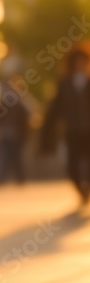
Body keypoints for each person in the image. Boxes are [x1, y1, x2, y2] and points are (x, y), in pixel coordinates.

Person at [41, 49, 90, 204]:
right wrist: (47, 133)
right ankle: (81, 191)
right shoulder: (65, 84)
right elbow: (55, 109)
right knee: (72, 165)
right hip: (72, 131)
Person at [0, 75, 29, 184]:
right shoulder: (5, 101)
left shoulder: (20, 102)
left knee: (16, 157)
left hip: (16, 133)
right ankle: (1, 178)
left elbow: (25, 118)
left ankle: (19, 178)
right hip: (6, 132)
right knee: (4, 156)